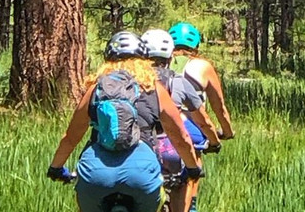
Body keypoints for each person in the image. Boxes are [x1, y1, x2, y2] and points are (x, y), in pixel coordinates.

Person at [48, 31, 202, 212]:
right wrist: (192, 168)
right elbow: (180, 136)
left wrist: (56, 168)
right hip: (141, 173)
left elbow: (70, 138)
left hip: (96, 174)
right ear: (144, 60)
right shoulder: (154, 88)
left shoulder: (96, 89)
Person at [142, 29, 221, 212]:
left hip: (138, 148)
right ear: (170, 57)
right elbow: (204, 120)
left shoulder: (128, 81)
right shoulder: (177, 80)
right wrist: (215, 141)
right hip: (169, 146)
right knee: (187, 174)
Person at [168, 22, 234, 212]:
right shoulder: (202, 66)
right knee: (193, 172)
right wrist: (227, 131)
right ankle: (191, 207)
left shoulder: (159, 63)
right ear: (196, 45)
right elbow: (218, 106)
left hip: (158, 127)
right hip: (190, 127)